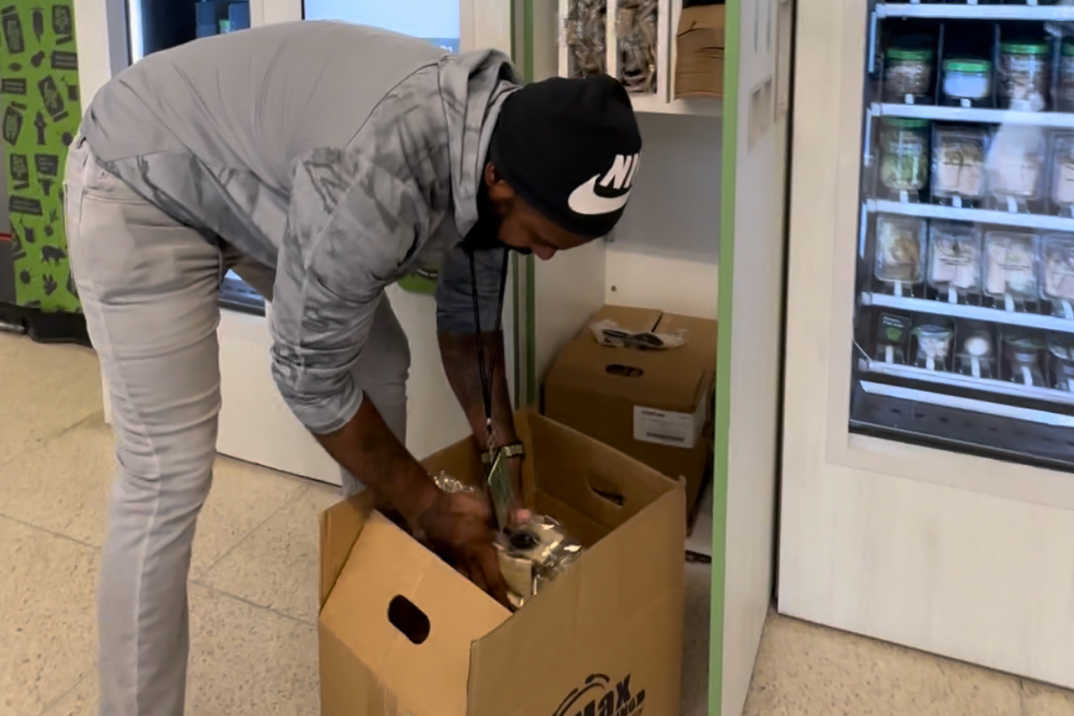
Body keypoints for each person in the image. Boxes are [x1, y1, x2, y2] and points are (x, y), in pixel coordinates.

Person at [64, 20, 641, 716]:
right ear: (499, 186)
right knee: (166, 473)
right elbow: (308, 375)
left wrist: (500, 452)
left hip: (257, 184)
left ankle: (384, 589)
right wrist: (427, 503)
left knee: (381, 356)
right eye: (544, 241)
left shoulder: (508, 137)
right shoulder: (382, 176)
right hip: (141, 176)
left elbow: (470, 325)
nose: (545, 258)